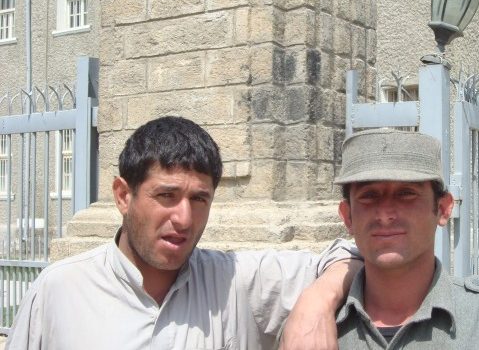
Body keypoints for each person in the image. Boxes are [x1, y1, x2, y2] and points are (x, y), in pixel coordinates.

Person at [7, 116, 360, 350]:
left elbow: (353, 256)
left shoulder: (235, 282)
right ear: (122, 195)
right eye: (166, 196)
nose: (184, 218)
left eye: (199, 199)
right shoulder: (59, 290)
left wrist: (317, 302)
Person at [333, 128, 479, 349]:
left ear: (443, 209)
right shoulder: (310, 329)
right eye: (369, 196)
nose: (385, 215)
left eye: (406, 193)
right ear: (348, 216)